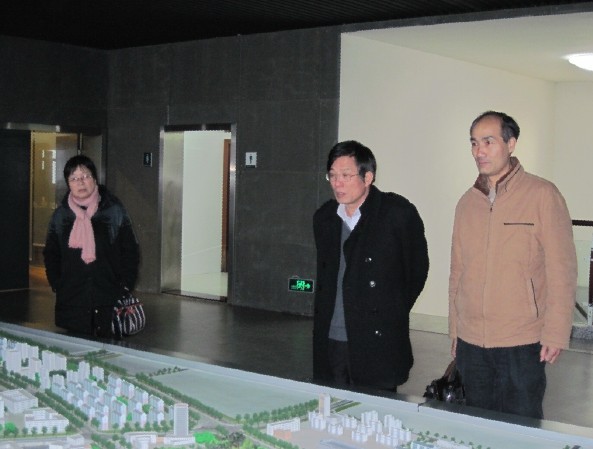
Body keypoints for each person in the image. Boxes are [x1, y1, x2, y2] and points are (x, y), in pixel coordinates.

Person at [448, 111, 577, 419]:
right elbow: (457, 272)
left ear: (511, 144)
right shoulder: (467, 203)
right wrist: (455, 328)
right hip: (471, 342)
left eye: (488, 142)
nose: (479, 151)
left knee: (521, 426)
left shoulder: (542, 195)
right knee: (476, 426)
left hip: (522, 341)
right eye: (474, 143)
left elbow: (562, 268)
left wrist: (556, 332)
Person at [313, 140, 429, 391]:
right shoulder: (324, 218)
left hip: (377, 339)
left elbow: (417, 271)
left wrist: (390, 310)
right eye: (332, 175)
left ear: (368, 177)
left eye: (346, 175)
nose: (337, 183)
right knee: (332, 408)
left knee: (375, 410)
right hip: (332, 336)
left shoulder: (397, 214)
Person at [43, 155, 140, 337]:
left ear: (95, 179)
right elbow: (51, 253)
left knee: (107, 349)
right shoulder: (61, 215)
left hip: (109, 298)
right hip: (72, 298)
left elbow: (130, 250)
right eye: (74, 178)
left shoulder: (113, 210)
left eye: (86, 176)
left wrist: (126, 284)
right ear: (68, 183)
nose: (81, 182)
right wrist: (56, 283)